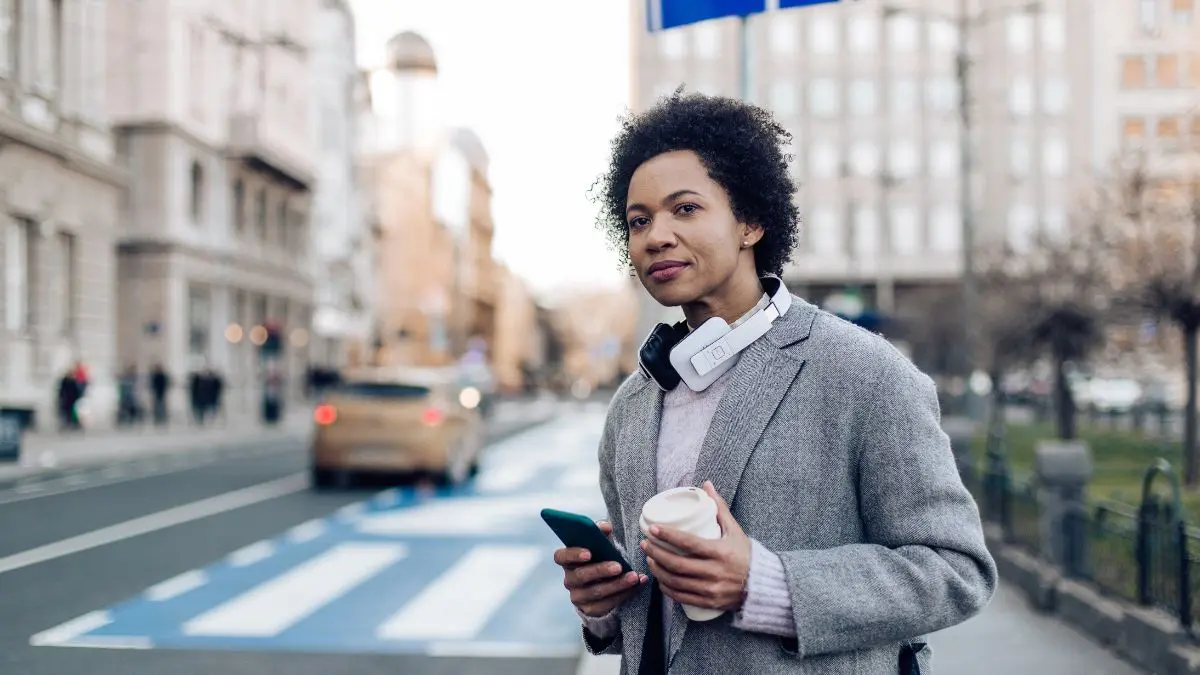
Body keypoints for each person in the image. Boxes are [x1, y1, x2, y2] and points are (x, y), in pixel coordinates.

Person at [552, 89, 997, 674]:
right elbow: (653, 614)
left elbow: (955, 570)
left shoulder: (864, 372)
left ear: (751, 222)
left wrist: (766, 583)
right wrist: (603, 606)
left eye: (685, 209)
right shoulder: (634, 401)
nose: (655, 235)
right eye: (639, 220)